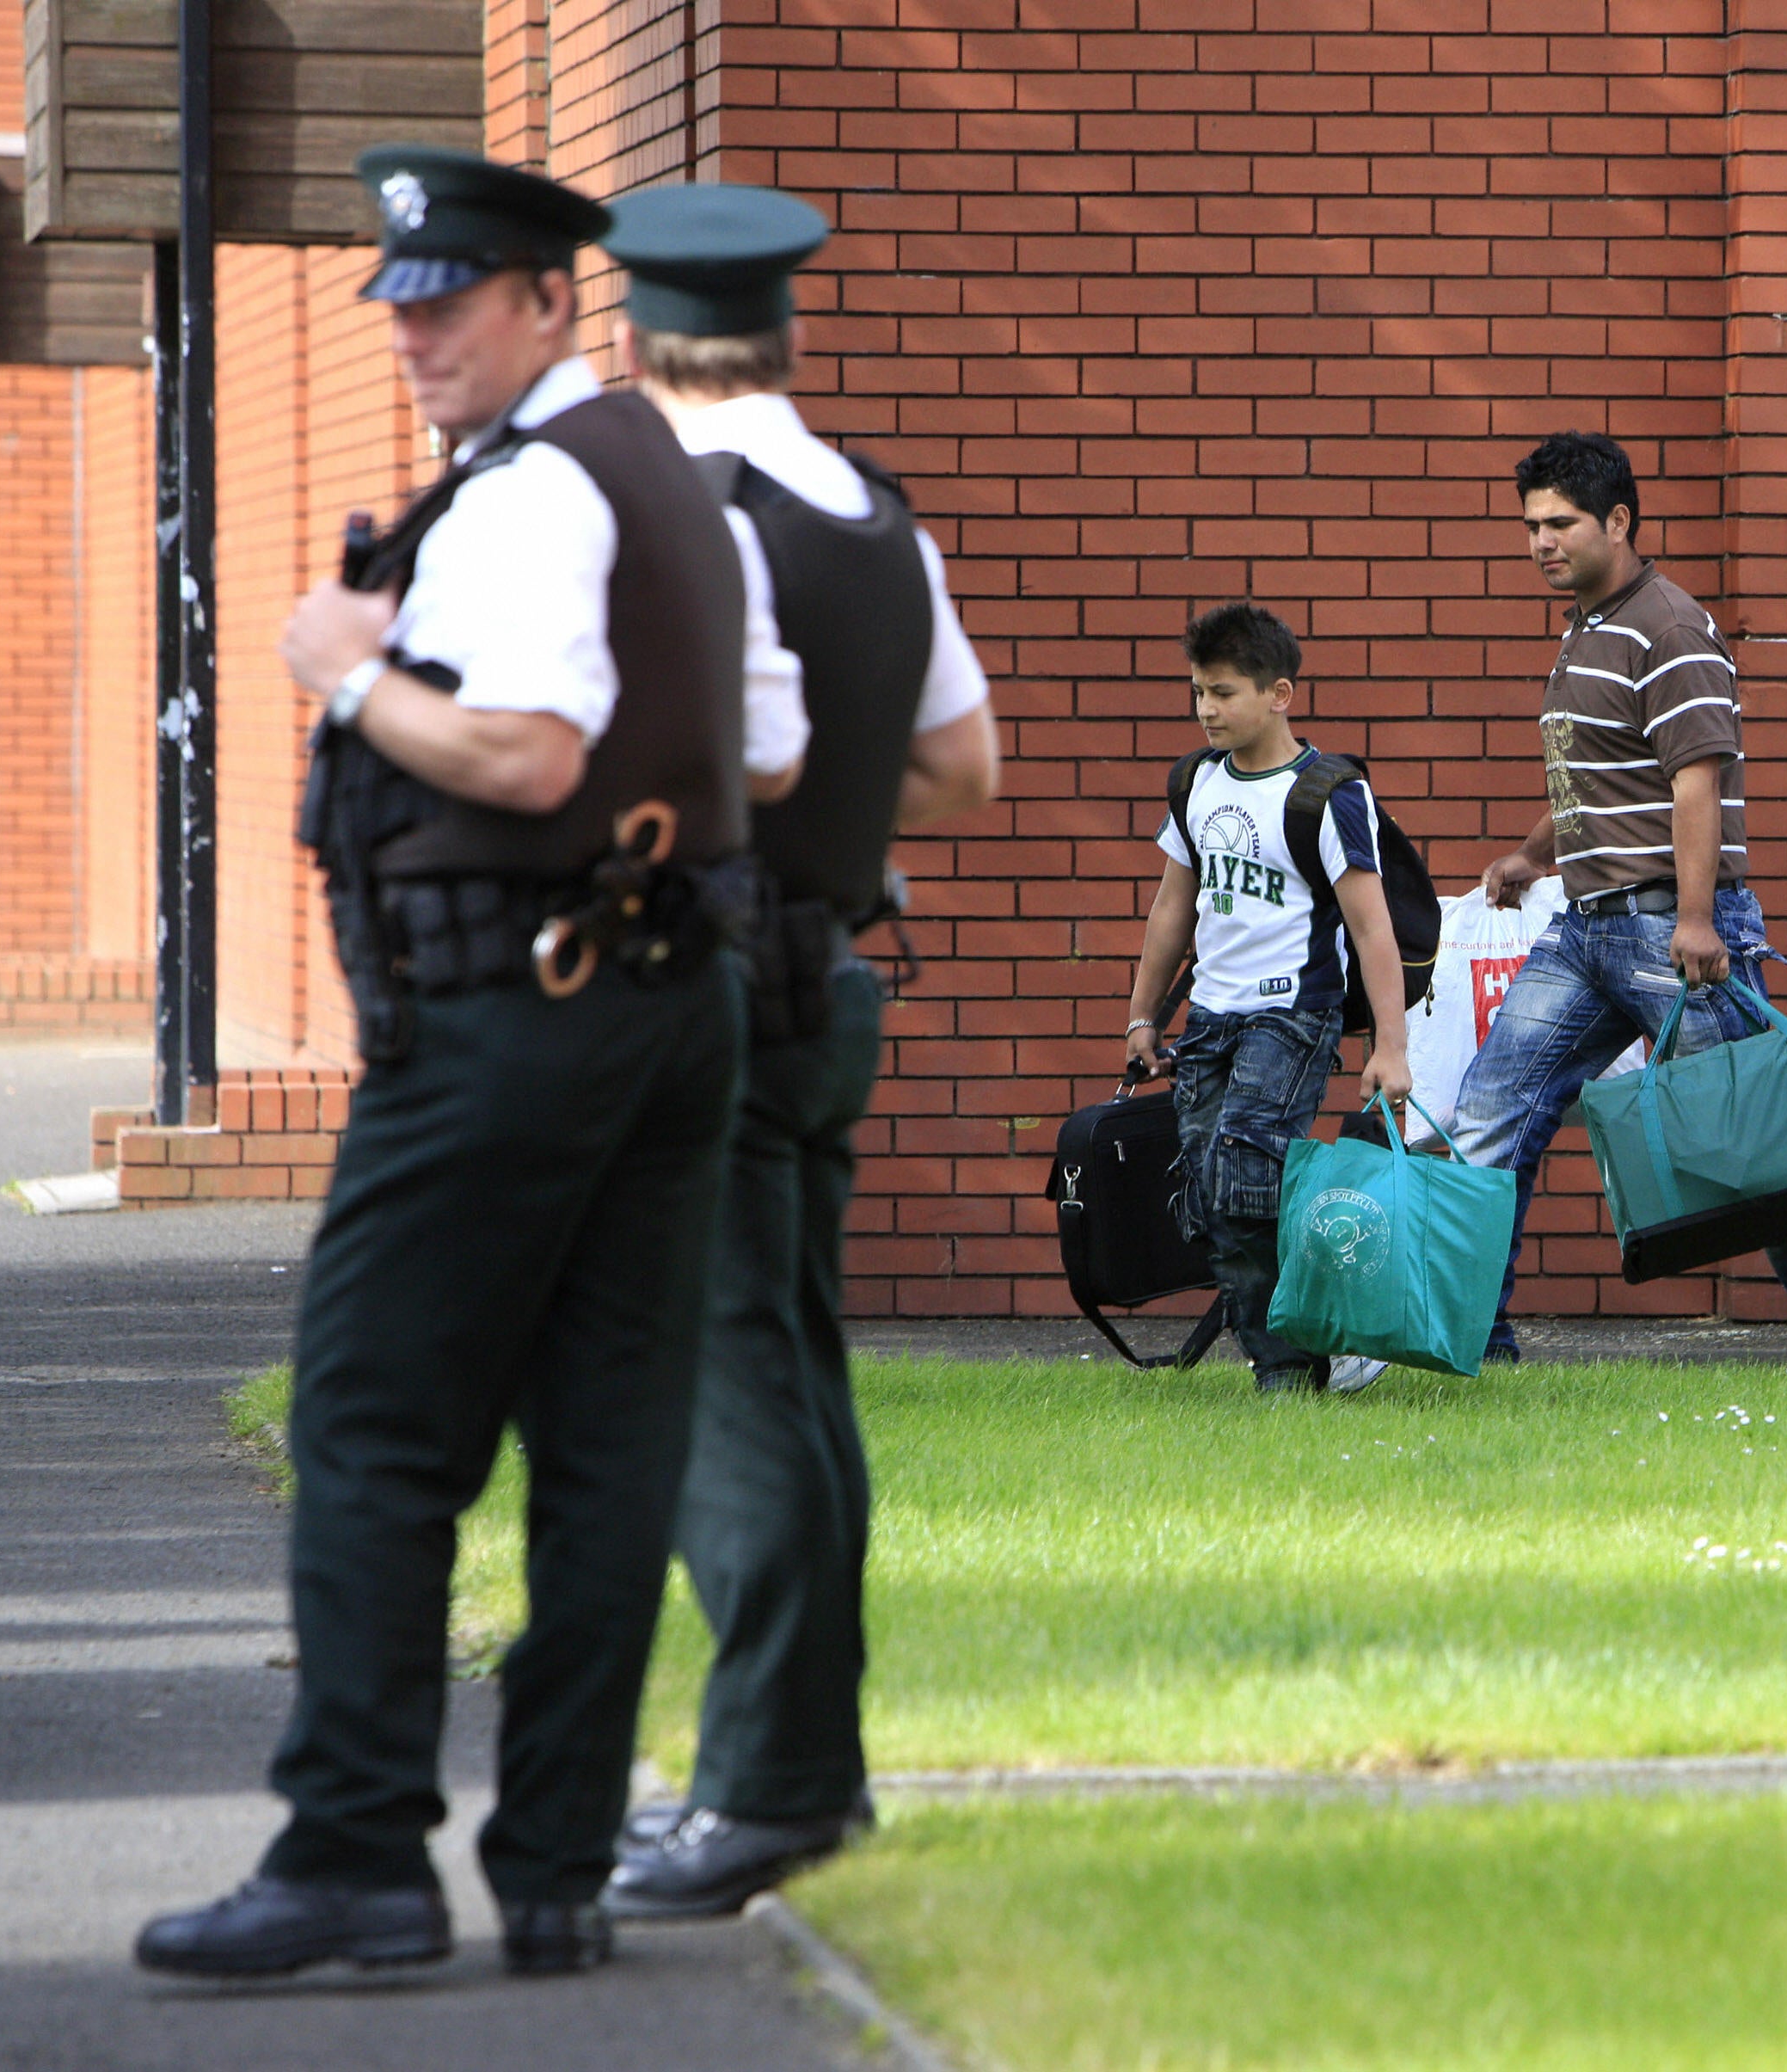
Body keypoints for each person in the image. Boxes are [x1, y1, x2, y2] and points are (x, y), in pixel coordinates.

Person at [138, 146, 801, 1979]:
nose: (416, 333)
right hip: (675, 1012)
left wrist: (347, 665)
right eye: (402, 303)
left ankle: (353, 1848)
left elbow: (516, 752)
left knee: (370, 1420)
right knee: (605, 1446)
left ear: (547, 299)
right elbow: (769, 756)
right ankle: (564, 1872)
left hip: (515, 1012)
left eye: (449, 300)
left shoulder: (521, 502)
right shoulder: (689, 481)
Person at [589, 184, 1001, 1918]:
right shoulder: (876, 515)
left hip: (702, 979)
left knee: (718, 1381)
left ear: (633, 337)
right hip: (831, 967)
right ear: (787, 332)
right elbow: (964, 769)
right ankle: (808, 1776)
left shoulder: (681, 513)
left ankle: (760, 1790)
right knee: (798, 1371)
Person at [1449, 432, 1787, 1370]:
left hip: (1662, 930)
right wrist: (1529, 855)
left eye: (1561, 523)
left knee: (1759, 1150)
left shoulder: (1669, 626)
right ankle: (1471, 1334)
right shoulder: (1591, 627)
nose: (1540, 542)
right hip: (1585, 928)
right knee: (1492, 1112)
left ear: (1620, 522)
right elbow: (1599, 778)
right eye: (1530, 526)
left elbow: (1696, 785)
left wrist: (1693, 918)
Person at [1125, 604, 1415, 1394]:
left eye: (1223, 692)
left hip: (1293, 1014)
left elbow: (1372, 926)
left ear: (1279, 692)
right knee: (1210, 1190)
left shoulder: (1326, 791)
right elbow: (1170, 907)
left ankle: (1299, 1362)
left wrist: (1390, 1045)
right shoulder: (1195, 781)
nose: (1207, 709)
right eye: (1197, 693)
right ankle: (1294, 1353)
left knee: (1244, 1178)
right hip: (1211, 1018)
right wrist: (1143, 1014)